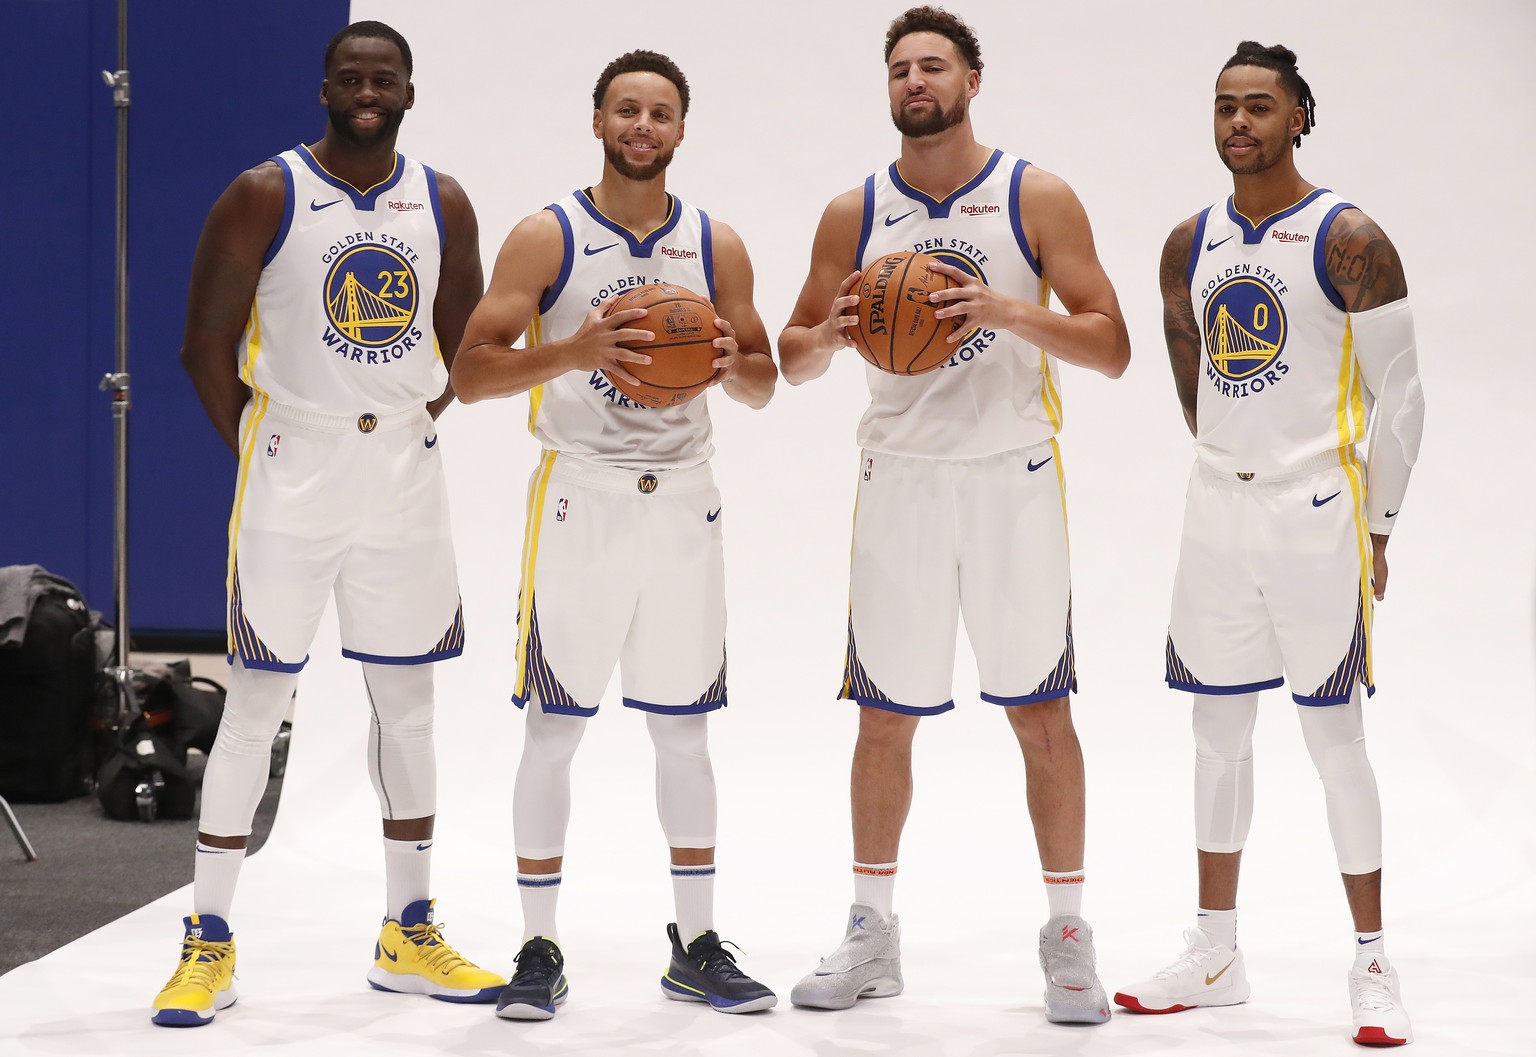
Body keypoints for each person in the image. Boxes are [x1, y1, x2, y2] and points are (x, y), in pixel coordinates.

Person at [778, 6, 1130, 1023]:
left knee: (1042, 714)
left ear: (973, 79)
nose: (915, 82)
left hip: (1012, 478)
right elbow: (791, 359)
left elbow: (1109, 347)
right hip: (901, 479)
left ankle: (1068, 934)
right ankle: (872, 930)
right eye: (900, 70)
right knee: (883, 717)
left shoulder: (1035, 195)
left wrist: (1005, 311)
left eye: (933, 65)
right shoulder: (855, 210)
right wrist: (838, 333)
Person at [152, 21, 503, 1026]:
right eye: (351, 76)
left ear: (407, 91)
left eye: (382, 77)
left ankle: (409, 929)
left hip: (401, 473)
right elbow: (200, 345)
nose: (366, 89)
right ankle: (206, 940)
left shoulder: (442, 200)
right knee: (257, 700)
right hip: (290, 466)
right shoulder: (267, 192)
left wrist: (403, 423)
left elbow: (466, 351)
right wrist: (261, 450)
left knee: (410, 706)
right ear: (323, 89)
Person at [450, 50, 778, 1020]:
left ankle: (696, 941)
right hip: (579, 496)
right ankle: (538, 946)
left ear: (682, 132)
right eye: (627, 109)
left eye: (660, 113)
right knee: (555, 728)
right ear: (597, 121)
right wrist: (577, 349)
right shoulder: (546, 237)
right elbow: (470, 372)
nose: (643, 125)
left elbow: (763, 381)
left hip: (684, 498)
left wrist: (723, 360)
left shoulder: (716, 245)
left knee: (684, 731)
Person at [1112, 42, 1423, 1048]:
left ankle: (1373, 960)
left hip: (1316, 512)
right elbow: (1187, 364)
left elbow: (1403, 399)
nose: (1239, 122)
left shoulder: (1349, 238)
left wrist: (1377, 523)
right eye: (1224, 106)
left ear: (1299, 117)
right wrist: (1224, 457)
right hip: (1216, 514)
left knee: (1335, 738)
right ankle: (1215, 949)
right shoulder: (1186, 243)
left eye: (1259, 106)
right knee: (1216, 731)